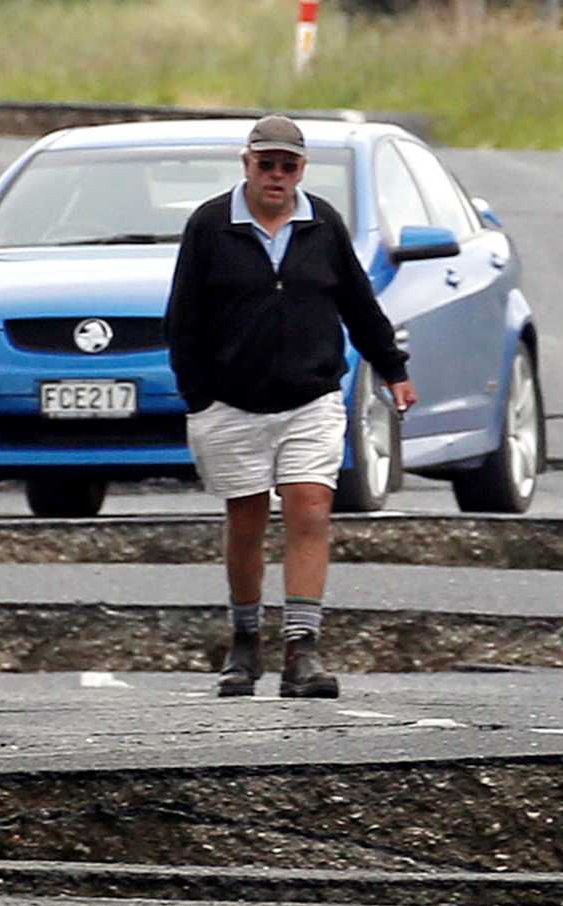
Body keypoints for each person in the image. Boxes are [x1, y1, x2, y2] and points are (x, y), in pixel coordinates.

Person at [163, 114, 415, 699]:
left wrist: (394, 369)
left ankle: (303, 649)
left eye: (288, 166)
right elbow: (183, 319)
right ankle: (245, 642)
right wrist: (198, 395)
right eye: (266, 164)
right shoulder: (210, 226)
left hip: (311, 398)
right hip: (230, 403)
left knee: (310, 508)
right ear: (246, 164)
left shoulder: (323, 224)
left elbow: (359, 304)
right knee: (247, 520)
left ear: (302, 170)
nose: (276, 176)